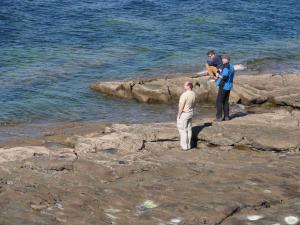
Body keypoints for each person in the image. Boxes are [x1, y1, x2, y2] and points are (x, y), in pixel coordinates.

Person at [177, 81, 196, 151]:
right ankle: (189, 145)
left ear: (189, 86)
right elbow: (194, 104)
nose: (183, 86)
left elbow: (181, 106)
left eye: (185, 85)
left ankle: (184, 146)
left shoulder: (184, 95)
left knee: (183, 130)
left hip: (184, 113)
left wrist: (179, 114)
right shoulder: (193, 93)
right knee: (189, 129)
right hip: (191, 112)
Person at [215, 55, 235, 121]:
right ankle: (226, 117)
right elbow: (229, 74)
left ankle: (219, 117)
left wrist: (218, 75)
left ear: (227, 60)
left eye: (223, 59)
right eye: (222, 59)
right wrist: (221, 71)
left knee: (219, 101)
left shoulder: (226, 67)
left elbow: (225, 77)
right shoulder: (231, 66)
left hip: (224, 85)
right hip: (229, 85)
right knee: (226, 101)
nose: (222, 60)